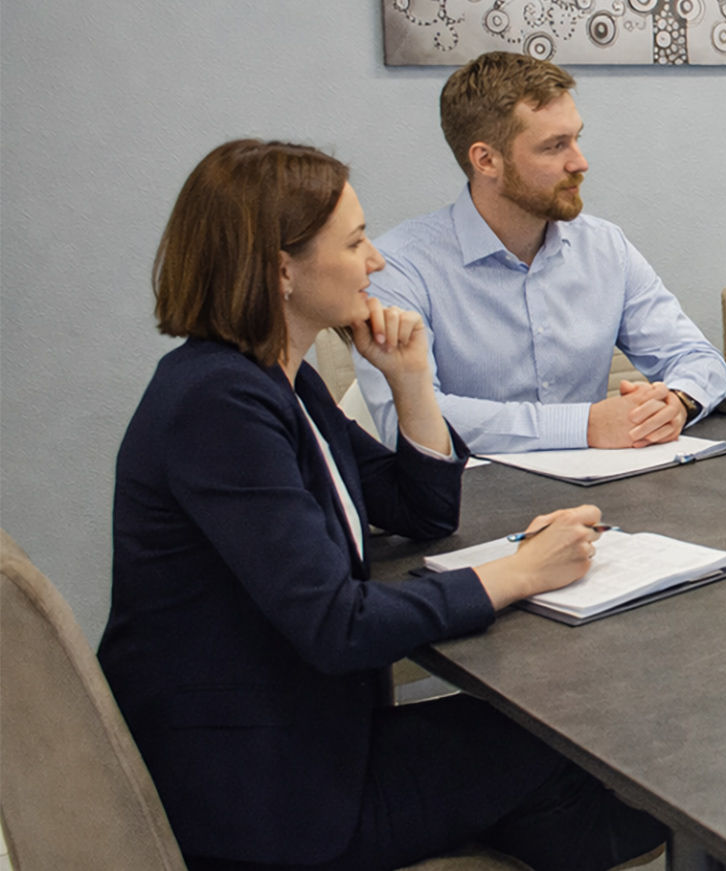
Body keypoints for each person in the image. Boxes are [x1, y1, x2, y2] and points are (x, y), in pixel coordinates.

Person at [99, 140, 668, 871]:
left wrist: (411, 382)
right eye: (357, 241)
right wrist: (521, 573)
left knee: (564, 781)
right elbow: (337, 624)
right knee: (567, 758)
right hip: (262, 795)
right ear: (282, 269)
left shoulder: (278, 383)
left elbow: (420, 509)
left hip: (293, 741)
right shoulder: (219, 404)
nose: (376, 263)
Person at [354, 51, 726, 455]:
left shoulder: (605, 247)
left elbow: (697, 357)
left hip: (601, 491)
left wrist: (675, 402)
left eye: (576, 138)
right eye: (554, 146)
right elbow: (408, 421)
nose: (580, 162)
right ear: (486, 160)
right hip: (474, 504)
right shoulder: (398, 267)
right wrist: (583, 427)